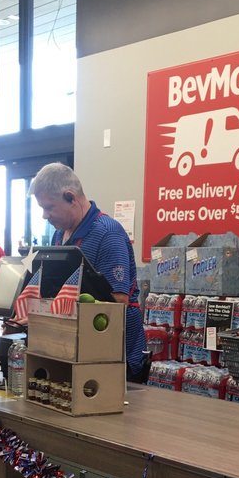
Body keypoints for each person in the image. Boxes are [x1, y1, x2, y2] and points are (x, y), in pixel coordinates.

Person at [30, 163, 149, 381]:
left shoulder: (108, 233)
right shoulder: (59, 235)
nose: (45, 216)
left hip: (113, 355)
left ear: (71, 197)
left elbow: (117, 301)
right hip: (73, 348)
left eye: (49, 207)